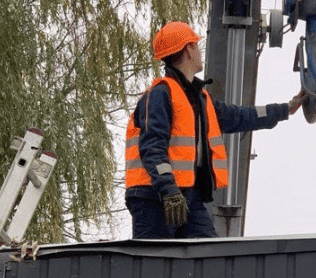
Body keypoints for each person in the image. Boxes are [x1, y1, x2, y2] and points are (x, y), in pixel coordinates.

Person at [124, 21, 306, 239]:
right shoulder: (160, 94)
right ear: (188, 50)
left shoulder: (200, 99)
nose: (199, 51)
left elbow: (240, 116)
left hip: (186, 195)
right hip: (154, 196)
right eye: (196, 46)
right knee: (153, 267)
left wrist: (286, 109)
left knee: (207, 261)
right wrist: (168, 190)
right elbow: (152, 148)